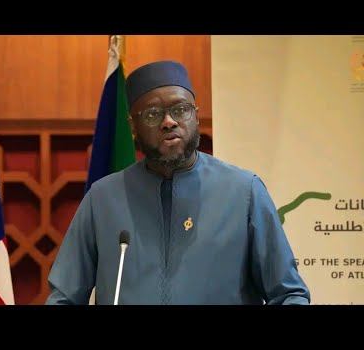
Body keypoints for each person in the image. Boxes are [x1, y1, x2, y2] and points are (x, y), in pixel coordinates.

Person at [45, 60, 311, 305]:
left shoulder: (244, 192)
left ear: (195, 116)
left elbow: (289, 293)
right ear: (133, 127)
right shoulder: (103, 198)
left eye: (181, 110)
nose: (169, 122)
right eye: (152, 114)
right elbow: (64, 297)